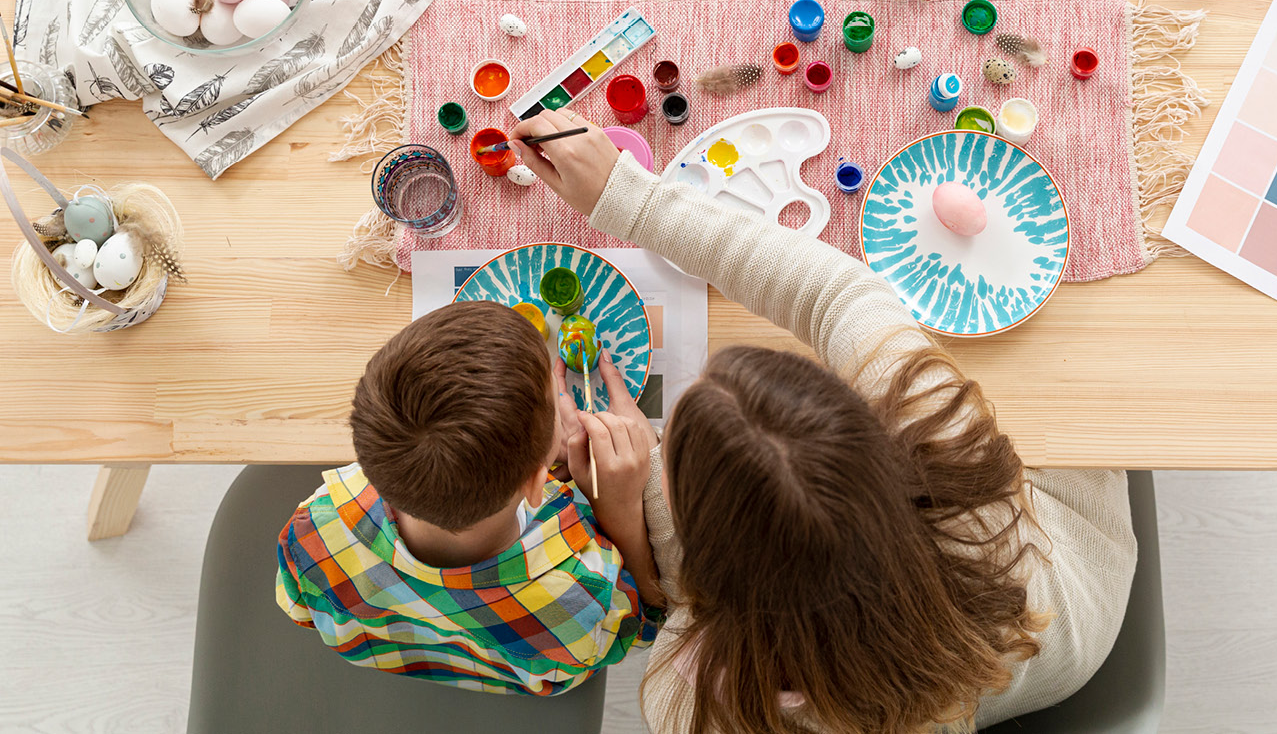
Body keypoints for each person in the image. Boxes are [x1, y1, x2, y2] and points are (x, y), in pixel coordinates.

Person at [509, 108, 1137, 731]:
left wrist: (625, 508)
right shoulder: (947, 449)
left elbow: (670, 596)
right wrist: (631, 200)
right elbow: (841, 296)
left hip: (1038, 604)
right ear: (874, 440)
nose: (660, 436)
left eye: (667, 447)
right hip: (1063, 604)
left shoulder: (695, 705)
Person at [274, 300, 664, 695]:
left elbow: (301, 611)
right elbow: (646, 625)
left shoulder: (313, 529)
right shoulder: (580, 599)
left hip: (383, 651)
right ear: (536, 483)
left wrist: (533, 452)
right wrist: (621, 511)